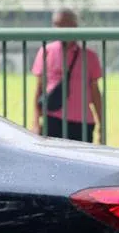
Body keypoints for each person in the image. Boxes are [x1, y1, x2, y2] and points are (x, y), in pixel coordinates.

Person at [30, 9, 104, 142]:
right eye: (56, 24)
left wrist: (101, 125)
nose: (59, 29)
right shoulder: (46, 51)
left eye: (64, 25)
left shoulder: (90, 57)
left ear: (75, 27)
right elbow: (39, 91)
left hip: (82, 123)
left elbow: (95, 93)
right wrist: (36, 123)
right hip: (53, 120)